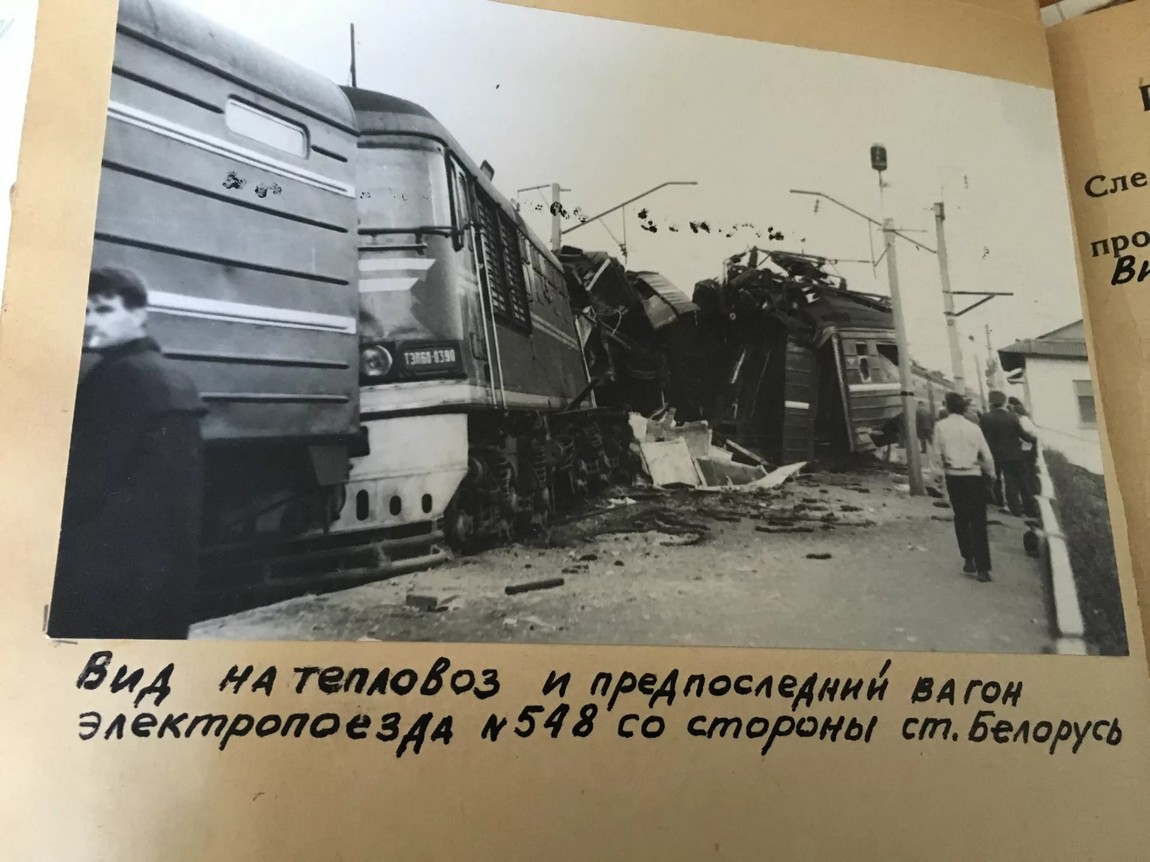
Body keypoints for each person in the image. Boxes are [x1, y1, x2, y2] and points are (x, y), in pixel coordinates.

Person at [48, 267, 207, 640]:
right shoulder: (175, 378)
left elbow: (85, 485)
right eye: (85, 311)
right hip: (163, 577)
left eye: (104, 310)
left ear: (139, 314)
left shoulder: (116, 380)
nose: (90, 322)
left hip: (107, 584)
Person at [934, 391, 996, 582]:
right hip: (974, 477)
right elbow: (986, 455)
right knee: (978, 521)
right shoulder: (974, 428)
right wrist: (991, 474)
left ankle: (968, 559)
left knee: (961, 518)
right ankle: (983, 569)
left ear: (947, 407)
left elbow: (936, 454)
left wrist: (938, 478)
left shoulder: (940, 427)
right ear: (963, 408)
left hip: (954, 477)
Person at [979, 389, 1037, 518]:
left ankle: (1007, 505)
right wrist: (1034, 440)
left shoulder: (985, 418)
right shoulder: (1012, 416)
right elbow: (1022, 434)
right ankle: (1029, 509)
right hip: (1015, 454)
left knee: (1001, 480)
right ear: (1004, 402)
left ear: (990, 402)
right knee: (1021, 482)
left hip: (995, 454)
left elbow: (982, 437)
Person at [1009, 396, 1041, 500]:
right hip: (1029, 448)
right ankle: (1032, 492)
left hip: (1027, 449)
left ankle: (1032, 493)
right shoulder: (1025, 419)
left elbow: (1027, 435)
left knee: (1027, 472)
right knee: (1029, 471)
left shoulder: (1023, 421)